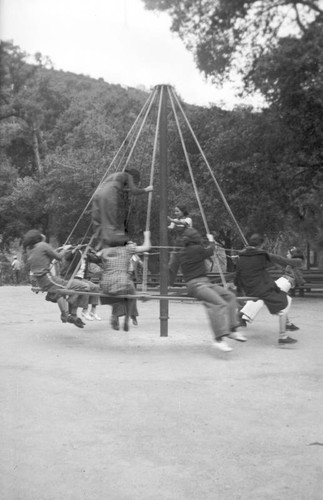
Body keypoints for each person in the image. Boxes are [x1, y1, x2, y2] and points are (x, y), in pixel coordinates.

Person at [179, 228, 246, 352]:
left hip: (203, 283)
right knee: (219, 303)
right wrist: (211, 241)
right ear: (196, 239)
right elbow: (210, 251)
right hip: (197, 285)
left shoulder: (182, 252)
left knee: (229, 296)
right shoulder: (197, 249)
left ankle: (232, 329)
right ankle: (218, 339)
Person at [235, 233, 303, 345]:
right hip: (261, 288)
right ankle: (283, 336)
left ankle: (243, 315)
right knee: (285, 302)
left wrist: (239, 290)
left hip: (250, 288)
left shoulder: (241, 256)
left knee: (279, 298)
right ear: (262, 244)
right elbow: (280, 260)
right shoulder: (262, 255)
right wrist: (297, 262)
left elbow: (238, 275)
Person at [23, 229, 98, 328]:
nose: (43, 235)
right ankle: (69, 314)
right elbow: (59, 257)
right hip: (48, 279)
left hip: (41, 280)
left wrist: (58, 251)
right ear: (38, 238)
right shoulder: (43, 245)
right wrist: (65, 249)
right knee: (84, 287)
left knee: (60, 292)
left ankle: (69, 315)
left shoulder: (30, 249)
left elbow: (45, 257)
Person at [99, 231, 151, 331]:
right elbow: (146, 247)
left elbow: (98, 255)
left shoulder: (105, 251)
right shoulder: (127, 249)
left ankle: (115, 315)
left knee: (114, 296)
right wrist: (147, 236)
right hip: (122, 282)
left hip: (105, 283)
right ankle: (127, 317)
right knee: (132, 296)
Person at [91, 168, 153, 248]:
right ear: (134, 177)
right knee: (111, 220)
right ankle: (114, 242)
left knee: (99, 220)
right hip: (110, 193)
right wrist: (146, 189)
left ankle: (99, 244)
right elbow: (134, 191)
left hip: (98, 192)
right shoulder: (129, 176)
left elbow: (120, 188)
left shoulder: (117, 176)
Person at [60, 245, 102, 322]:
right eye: (86, 250)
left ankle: (93, 311)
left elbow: (98, 259)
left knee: (96, 287)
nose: (87, 253)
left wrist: (94, 252)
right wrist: (76, 249)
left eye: (88, 251)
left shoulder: (87, 256)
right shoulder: (76, 253)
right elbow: (67, 256)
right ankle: (84, 310)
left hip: (81, 278)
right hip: (71, 277)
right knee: (86, 287)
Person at [168, 205, 193, 286]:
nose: (175, 213)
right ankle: (168, 284)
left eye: (177, 211)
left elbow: (184, 223)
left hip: (187, 246)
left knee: (186, 267)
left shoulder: (188, 219)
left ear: (183, 211)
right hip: (177, 246)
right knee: (172, 265)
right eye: (175, 211)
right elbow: (170, 228)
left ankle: (191, 284)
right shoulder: (174, 220)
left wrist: (173, 221)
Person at [284, 246, 306, 331]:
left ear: (292, 256)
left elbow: (298, 279)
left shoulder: (292, 265)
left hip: (286, 286)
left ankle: (287, 324)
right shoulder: (291, 265)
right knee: (284, 303)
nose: (286, 254)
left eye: (288, 253)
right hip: (286, 286)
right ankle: (287, 323)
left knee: (284, 304)